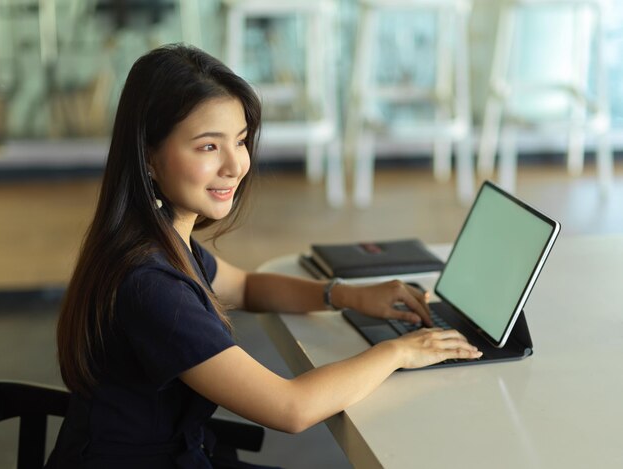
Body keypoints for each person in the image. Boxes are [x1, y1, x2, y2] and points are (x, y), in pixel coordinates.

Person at [46, 44, 481, 469]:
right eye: (208, 147)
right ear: (149, 157)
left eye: (240, 140)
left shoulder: (154, 239)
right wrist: (399, 352)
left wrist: (347, 295)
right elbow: (290, 408)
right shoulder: (152, 285)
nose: (236, 165)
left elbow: (247, 286)